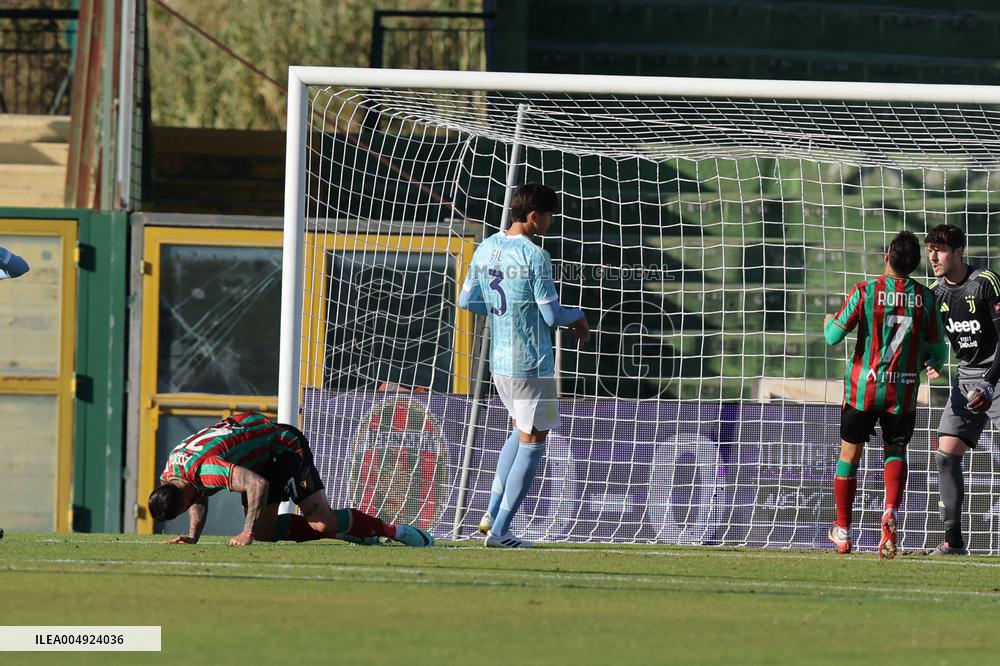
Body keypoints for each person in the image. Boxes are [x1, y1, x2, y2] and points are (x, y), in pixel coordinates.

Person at [459, 183, 590, 548]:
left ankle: (490, 514)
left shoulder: (486, 247)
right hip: (531, 363)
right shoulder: (534, 256)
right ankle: (500, 531)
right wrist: (578, 316)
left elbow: (467, 299)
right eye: (549, 216)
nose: (550, 222)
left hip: (500, 364)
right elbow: (551, 315)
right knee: (534, 443)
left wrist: (504, 314)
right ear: (534, 216)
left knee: (520, 432)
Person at [823, 230, 946, 559]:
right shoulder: (927, 298)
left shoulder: (865, 291)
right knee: (895, 451)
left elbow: (833, 337)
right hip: (902, 391)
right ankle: (890, 510)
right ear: (916, 263)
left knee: (849, 456)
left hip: (863, 390)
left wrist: (828, 322)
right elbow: (939, 353)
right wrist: (927, 361)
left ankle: (843, 531)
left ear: (887, 257)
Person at [148, 412, 433, 547]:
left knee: (322, 521)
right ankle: (349, 532)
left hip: (282, 446)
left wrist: (244, 533)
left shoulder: (205, 470)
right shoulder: (171, 474)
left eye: (185, 506)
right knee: (264, 531)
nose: (192, 504)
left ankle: (395, 531)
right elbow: (197, 494)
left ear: (183, 494)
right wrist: (194, 537)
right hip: (258, 460)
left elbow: (255, 484)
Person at [924, 223, 1000, 555]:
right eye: (930, 250)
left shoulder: (985, 284)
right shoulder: (934, 292)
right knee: (945, 455)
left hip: (996, 375)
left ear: (959, 252)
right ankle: (953, 542)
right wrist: (932, 360)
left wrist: (989, 382)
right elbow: (933, 343)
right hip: (966, 380)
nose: (933, 257)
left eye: (939, 250)